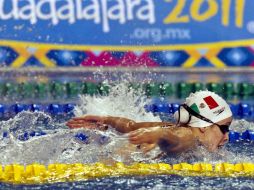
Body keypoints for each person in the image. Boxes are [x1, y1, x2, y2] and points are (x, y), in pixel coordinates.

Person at [67, 90, 233, 155]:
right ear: (203, 126)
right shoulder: (190, 136)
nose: (226, 137)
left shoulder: (170, 126)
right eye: (224, 128)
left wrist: (105, 120)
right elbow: (179, 139)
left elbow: (130, 126)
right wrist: (160, 135)